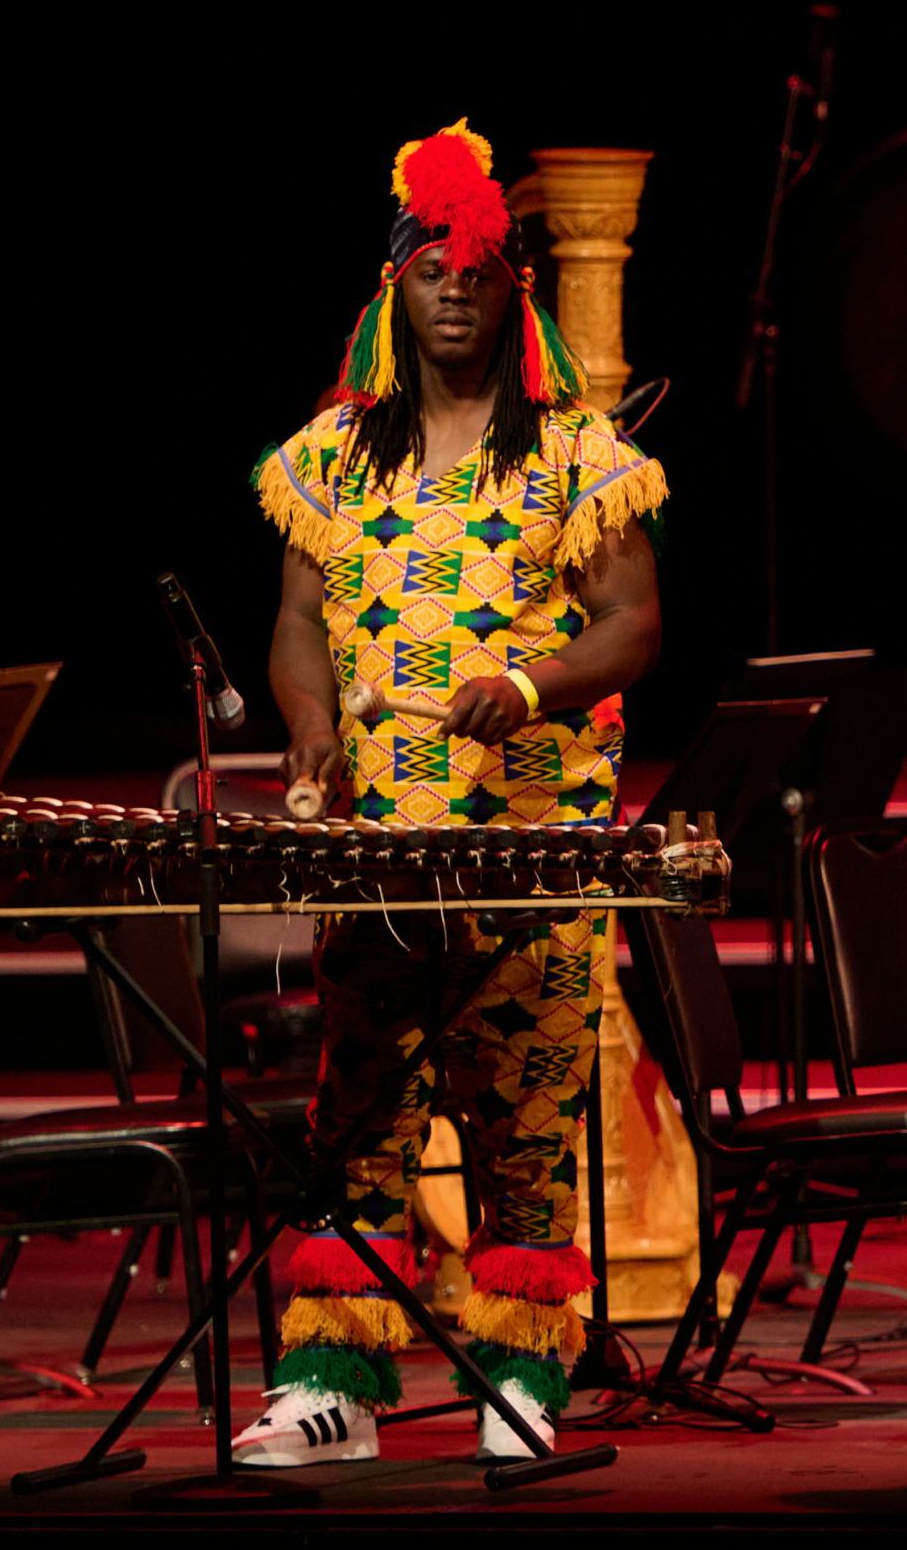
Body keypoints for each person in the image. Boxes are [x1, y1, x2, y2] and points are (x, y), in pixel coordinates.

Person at [236, 119, 668, 1467]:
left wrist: (534, 685)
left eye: (481, 266)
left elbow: (635, 622)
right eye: (434, 266)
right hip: (379, 854)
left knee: (524, 1119)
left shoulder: (575, 452)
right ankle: (333, 1381)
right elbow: (299, 619)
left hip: (528, 850)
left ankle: (523, 1366)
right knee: (355, 1118)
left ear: (512, 287)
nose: (458, 287)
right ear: (395, 288)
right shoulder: (331, 455)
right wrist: (309, 722)